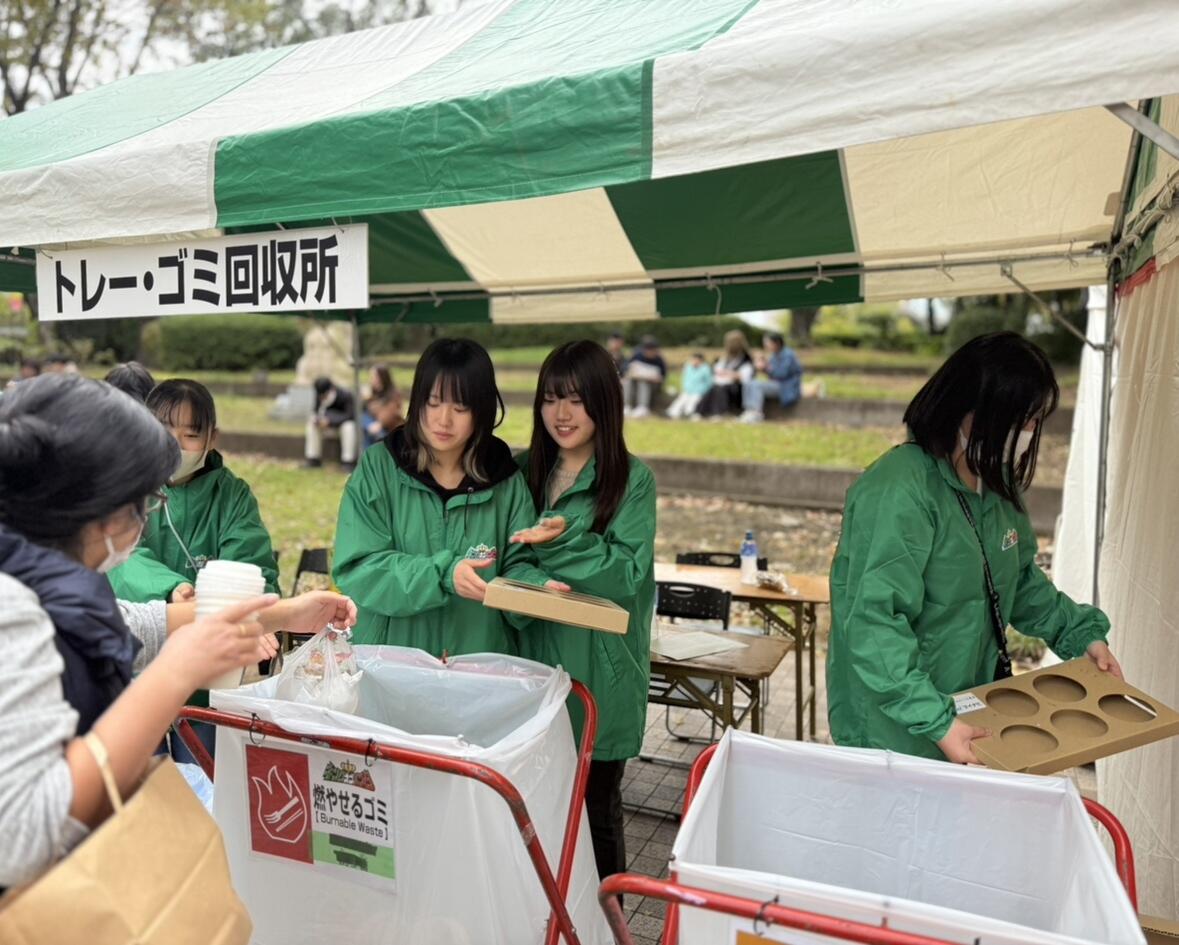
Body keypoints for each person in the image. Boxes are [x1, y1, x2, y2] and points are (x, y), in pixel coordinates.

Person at [0, 373, 358, 888]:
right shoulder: (14, 608)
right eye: (142, 504)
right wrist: (173, 677)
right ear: (94, 509)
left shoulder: (48, 582)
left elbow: (141, 625)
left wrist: (286, 614)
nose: (145, 523)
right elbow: (23, 839)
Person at [826, 332, 1122, 765]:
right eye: (1021, 420)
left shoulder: (994, 485)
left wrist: (1080, 635)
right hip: (895, 728)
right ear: (969, 410)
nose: (1028, 433)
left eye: (1036, 421)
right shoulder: (900, 489)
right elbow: (874, 622)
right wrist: (935, 719)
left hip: (966, 711)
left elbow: (1018, 585)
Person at [512, 340, 655, 881]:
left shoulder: (631, 480)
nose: (562, 414)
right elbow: (507, 556)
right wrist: (532, 577)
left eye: (576, 399)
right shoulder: (523, 470)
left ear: (605, 402)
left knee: (598, 813)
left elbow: (626, 572)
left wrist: (561, 538)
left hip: (602, 671)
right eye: (551, 399)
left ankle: (611, 927)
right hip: (532, 666)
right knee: (532, 808)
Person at [333, 338, 564, 655]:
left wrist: (535, 588)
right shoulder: (379, 468)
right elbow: (359, 568)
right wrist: (441, 575)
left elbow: (516, 564)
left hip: (476, 667)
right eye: (434, 402)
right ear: (417, 402)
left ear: (481, 410)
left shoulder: (505, 481)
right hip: (390, 665)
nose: (444, 420)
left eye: (460, 407)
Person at [109, 379, 279, 606]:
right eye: (163, 430)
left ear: (212, 439)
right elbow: (116, 556)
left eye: (191, 435)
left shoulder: (232, 496)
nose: (174, 445)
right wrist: (172, 588)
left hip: (215, 628)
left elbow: (250, 566)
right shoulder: (125, 486)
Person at [740, 332, 803, 423]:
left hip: (786, 387)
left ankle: (756, 413)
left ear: (776, 343)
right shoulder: (774, 355)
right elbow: (772, 372)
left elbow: (782, 373)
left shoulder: (788, 355)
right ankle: (749, 410)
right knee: (749, 383)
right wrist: (763, 368)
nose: (766, 346)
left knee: (757, 385)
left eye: (767, 343)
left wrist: (766, 368)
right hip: (777, 384)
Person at [696, 330, 754, 419]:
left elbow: (745, 377)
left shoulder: (746, 359)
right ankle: (700, 412)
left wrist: (729, 374)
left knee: (721, 388)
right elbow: (717, 370)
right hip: (723, 383)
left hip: (738, 388)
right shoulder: (725, 359)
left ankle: (719, 413)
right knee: (713, 388)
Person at [305, 376, 359, 471]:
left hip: (340, 427)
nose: (322, 398)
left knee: (349, 426)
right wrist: (317, 420)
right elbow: (316, 411)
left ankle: (348, 461)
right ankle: (313, 458)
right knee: (311, 426)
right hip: (325, 427)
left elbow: (350, 415)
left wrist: (330, 421)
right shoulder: (319, 396)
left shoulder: (345, 395)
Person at [622, 335, 667, 419]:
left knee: (643, 381)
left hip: (652, 384)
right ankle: (627, 406)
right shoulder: (637, 356)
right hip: (635, 381)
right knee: (627, 381)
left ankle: (642, 407)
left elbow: (663, 376)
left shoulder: (659, 360)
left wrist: (655, 378)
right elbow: (626, 369)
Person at [361, 364, 402, 449]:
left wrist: (379, 424)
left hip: (388, 428)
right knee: (363, 417)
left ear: (381, 377)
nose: (371, 380)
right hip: (374, 426)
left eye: (373, 377)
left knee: (374, 433)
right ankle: (367, 458)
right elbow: (367, 410)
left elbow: (391, 413)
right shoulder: (373, 393)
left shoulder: (393, 393)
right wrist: (367, 398)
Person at [665, 351, 714, 419]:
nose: (694, 361)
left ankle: (688, 414)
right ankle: (672, 413)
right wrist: (685, 388)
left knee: (692, 402)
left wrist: (703, 391)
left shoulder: (705, 369)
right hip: (688, 390)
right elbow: (685, 379)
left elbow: (708, 383)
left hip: (699, 392)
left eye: (696, 359)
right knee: (681, 400)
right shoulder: (688, 367)